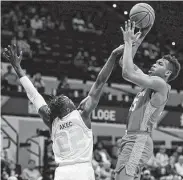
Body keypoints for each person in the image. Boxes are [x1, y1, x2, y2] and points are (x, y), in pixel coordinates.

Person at [2, 43, 125, 180]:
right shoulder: (82, 114)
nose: (72, 100)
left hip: (62, 172)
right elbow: (100, 82)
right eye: (69, 100)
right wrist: (113, 55)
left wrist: (18, 68)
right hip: (83, 170)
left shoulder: (52, 121)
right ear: (67, 108)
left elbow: (34, 95)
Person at [115, 20, 181, 180]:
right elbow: (124, 63)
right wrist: (138, 40)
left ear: (167, 73)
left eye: (160, 64)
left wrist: (128, 42)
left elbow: (127, 73)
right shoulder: (149, 83)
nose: (154, 64)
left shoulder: (161, 85)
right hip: (131, 138)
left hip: (139, 139)